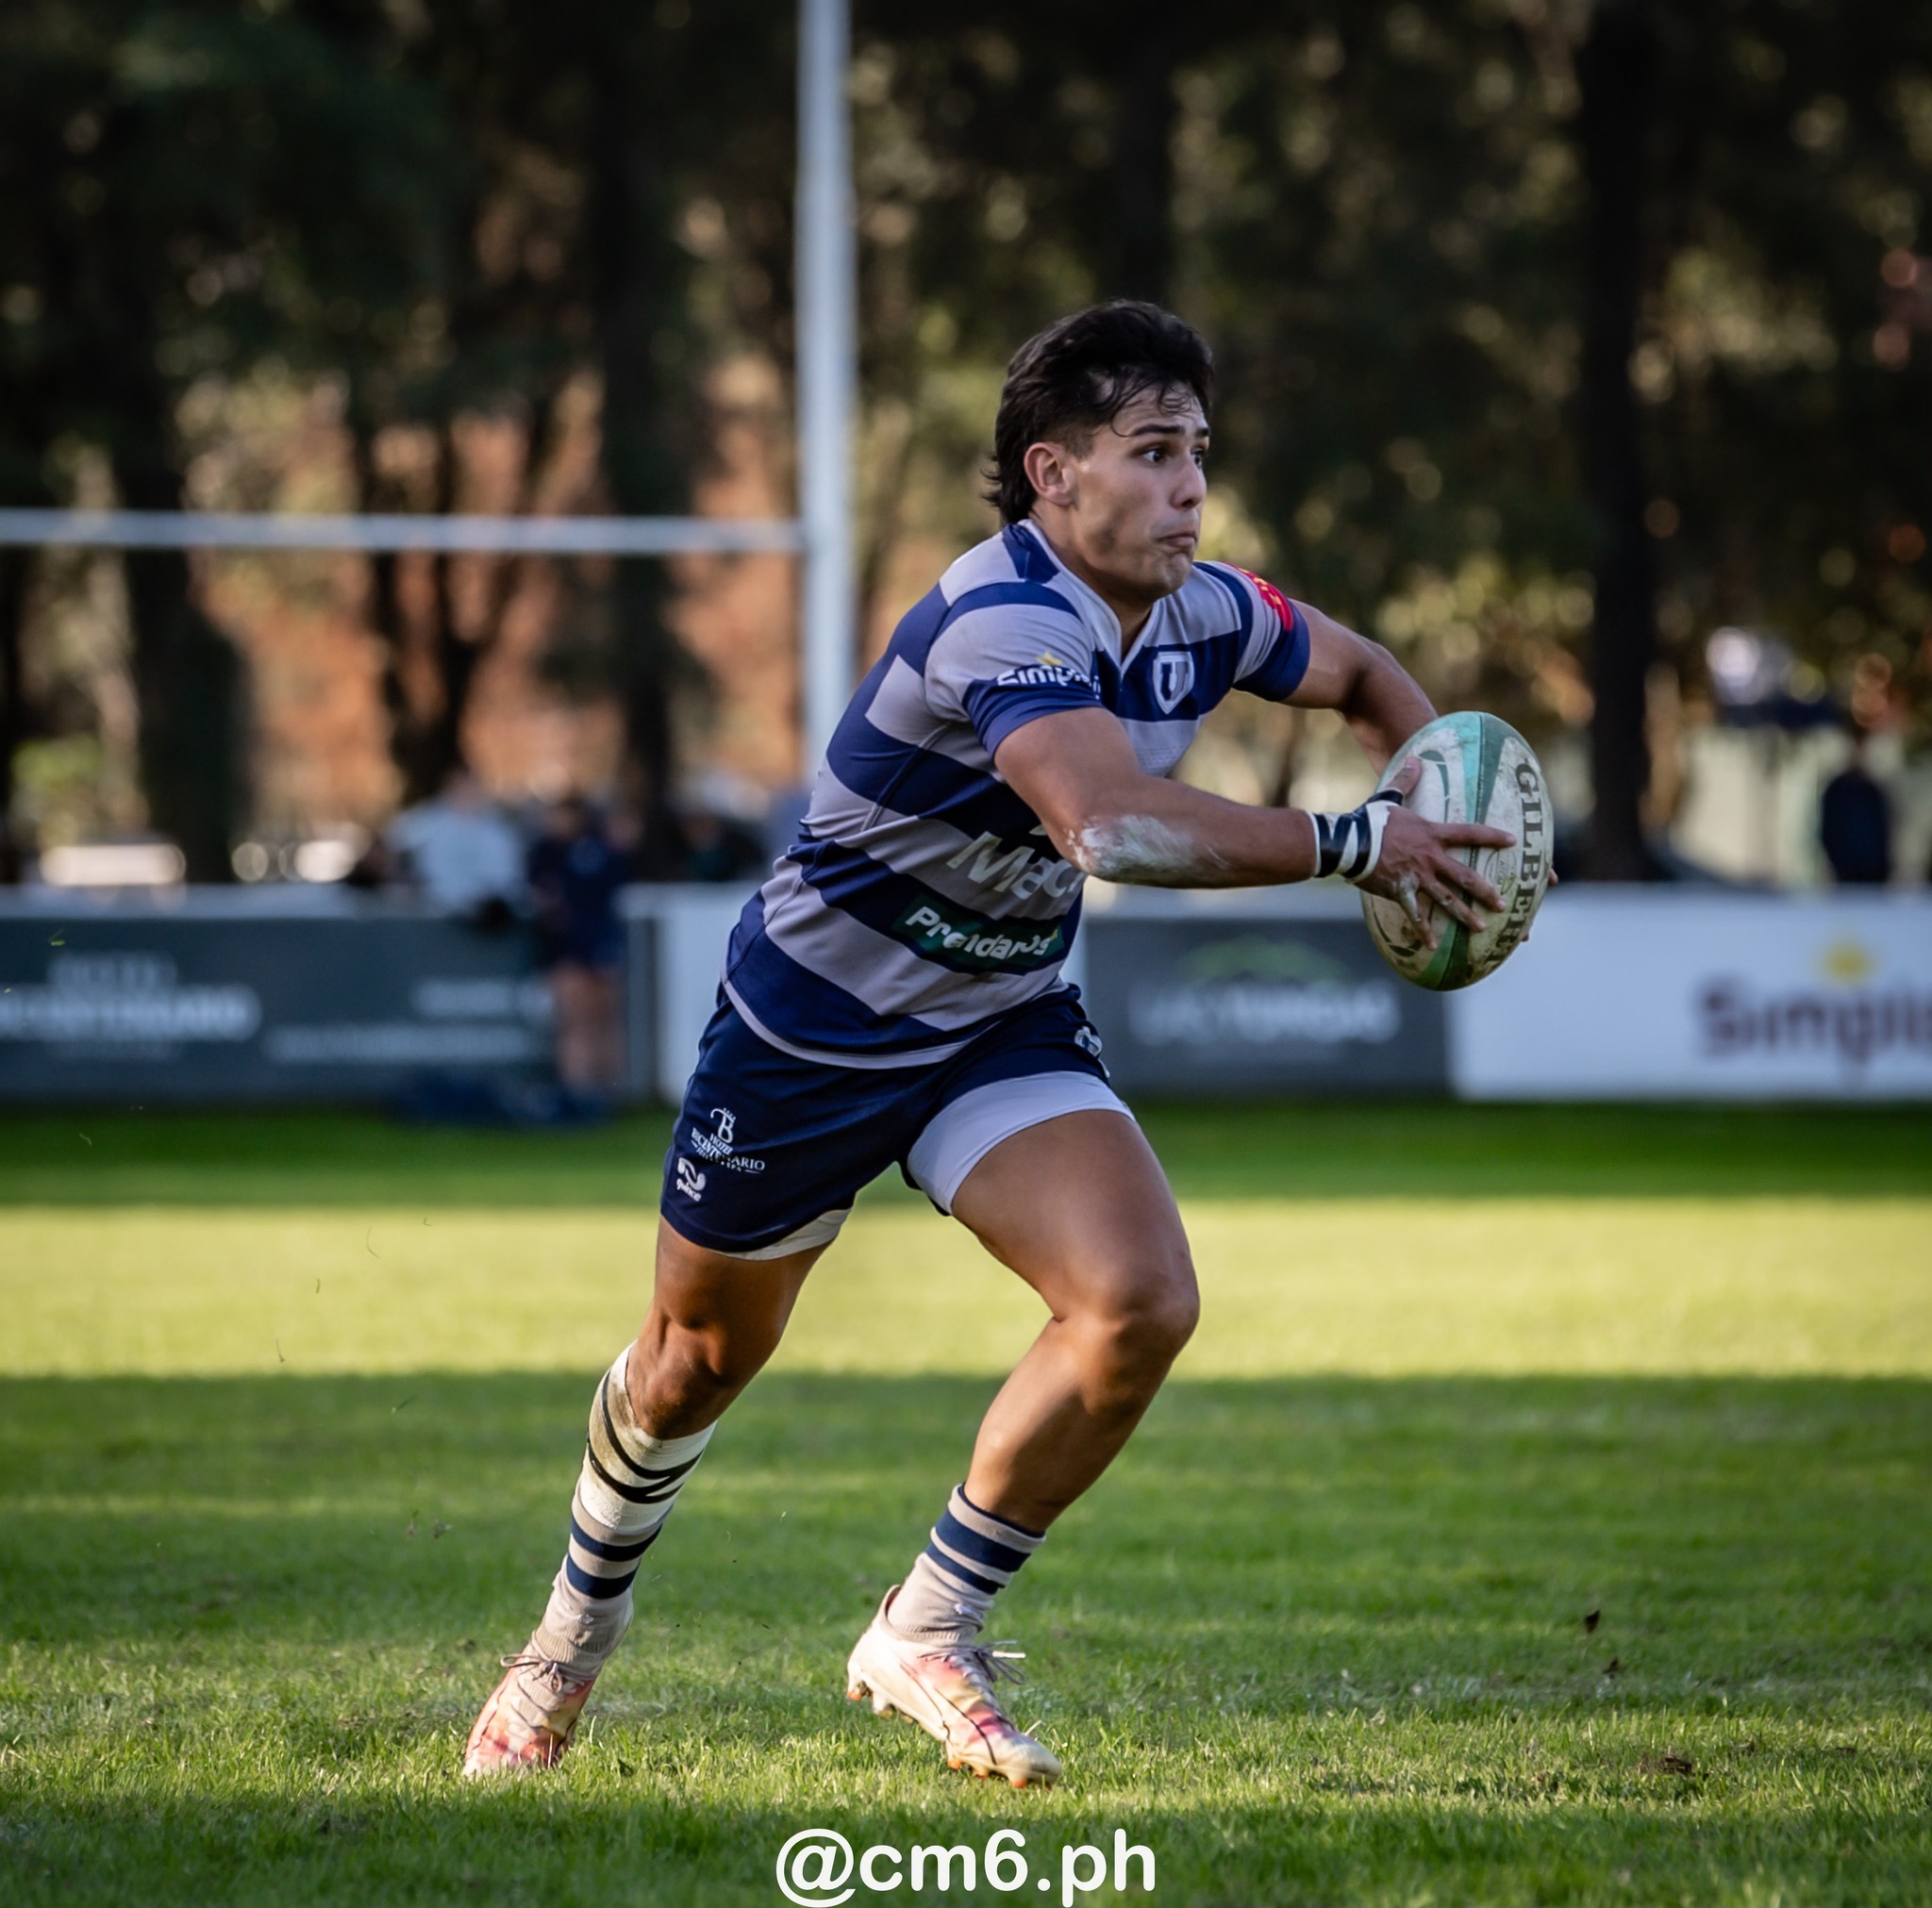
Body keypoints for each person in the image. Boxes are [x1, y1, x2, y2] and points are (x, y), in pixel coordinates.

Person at [462, 302, 1509, 1788]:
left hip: (999, 1015)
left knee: (1138, 1298)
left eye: (1199, 450)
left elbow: (1365, 671)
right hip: (810, 1026)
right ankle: (565, 1642)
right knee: (693, 1363)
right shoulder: (1001, 616)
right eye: (1151, 452)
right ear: (1052, 474)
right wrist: (1362, 839)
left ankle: (927, 1624)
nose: (1190, 485)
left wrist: (1444, 793)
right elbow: (1109, 821)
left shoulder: (1208, 610)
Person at [526, 796, 633, 1100]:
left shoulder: (600, 850)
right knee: (575, 1022)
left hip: (601, 945)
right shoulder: (544, 853)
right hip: (566, 949)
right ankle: (578, 1092)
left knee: (605, 1021)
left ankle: (608, 1093)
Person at [387, 765, 525, 925]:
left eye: (470, 786)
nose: (465, 792)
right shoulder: (428, 820)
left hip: (489, 911)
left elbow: (507, 872)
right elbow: (395, 841)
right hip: (438, 912)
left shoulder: (497, 829)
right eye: (459, 787)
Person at [1819, 730, 1892, 886]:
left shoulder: (1873, 790)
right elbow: (1827, 830)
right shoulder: (1836, 789)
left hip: (1874, 874)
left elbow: (1884, 828)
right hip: (1844, 873)